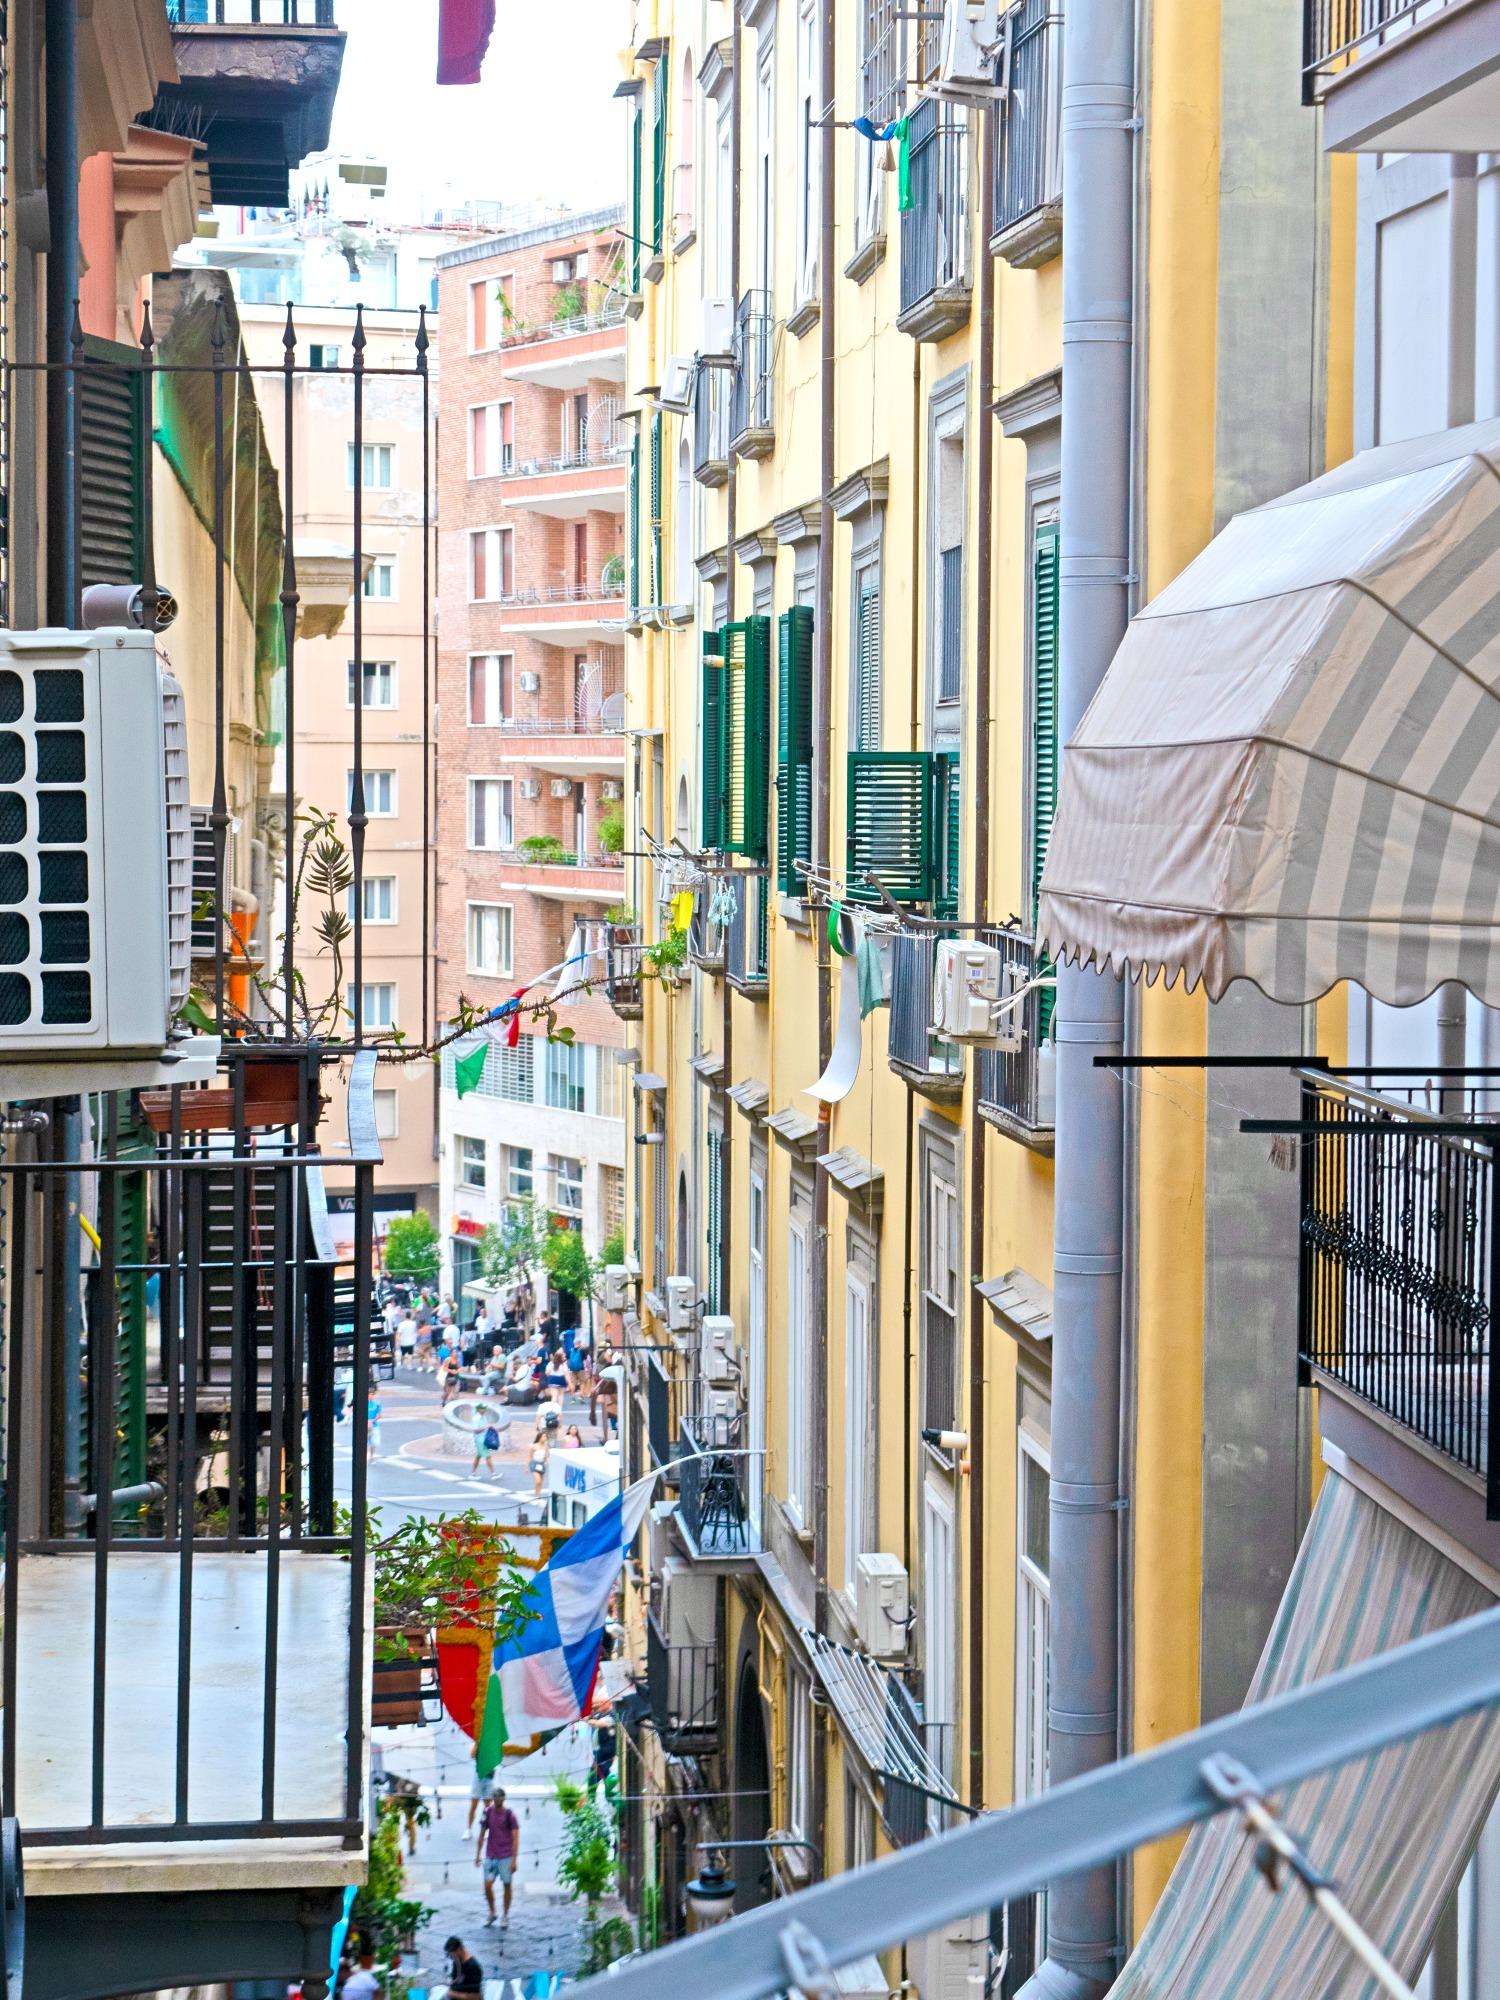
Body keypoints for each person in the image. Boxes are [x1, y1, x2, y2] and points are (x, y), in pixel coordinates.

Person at [474, 1788, 522, 1929]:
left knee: (507, 1885)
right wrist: (478, 1854)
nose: (496, 1800)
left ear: (503, 1799)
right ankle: (492, 1911)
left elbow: (515, 1839)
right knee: (487, 1885)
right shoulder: (487, 1812)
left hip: (506, 1856)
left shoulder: (510, 1815)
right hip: (491, 1855)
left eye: (498, 1797)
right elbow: (482, 1833)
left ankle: (505, 1914)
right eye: (494, 1797)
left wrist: (514, 1860)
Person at [466, 1766, 494, 1833]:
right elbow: (472, 1755)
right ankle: (469, 1829)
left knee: (488, 1808)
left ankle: (486, 1829)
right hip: (479, 1775)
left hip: (490, 1776)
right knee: (473, 1805)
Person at [367, 1393, 382, 1461]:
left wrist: (372, 1421)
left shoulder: (377, 1404)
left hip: (374, 1425)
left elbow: (379, 1415)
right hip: (364, 1425)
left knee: (374, 1442)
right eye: (370, 1394)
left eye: (372, 1395)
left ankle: (371, 1455)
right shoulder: (362, 1403)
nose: (371, 1396)